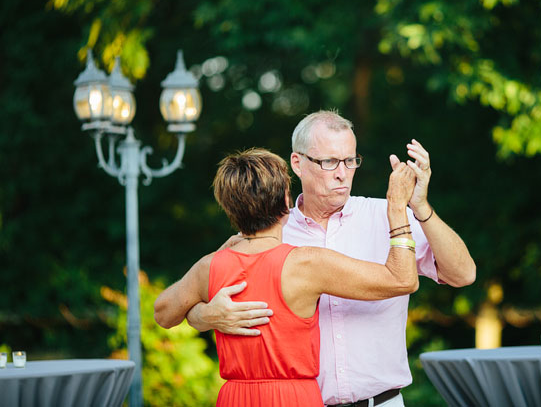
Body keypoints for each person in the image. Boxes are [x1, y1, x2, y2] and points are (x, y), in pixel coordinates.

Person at [158, 110, 476, 407]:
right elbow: (207, 290)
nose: (342, 174)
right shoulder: (269, 230)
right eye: (330, 162)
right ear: (297, 163)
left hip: (381, 401)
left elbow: (463, 275)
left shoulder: (391, 217)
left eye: (350, 161)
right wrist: (206, 316)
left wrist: (419, 207)